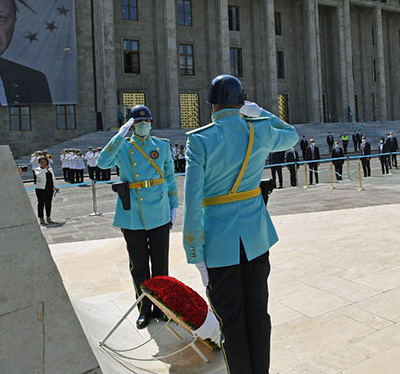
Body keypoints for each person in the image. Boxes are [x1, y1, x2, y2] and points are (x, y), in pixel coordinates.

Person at [183, 75, 297, 374]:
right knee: (258, 313)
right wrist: (261, 113)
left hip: (219, 244)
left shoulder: (200, 139)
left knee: (231, 320)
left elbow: (192, 200)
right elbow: (292, 134)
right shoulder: (260, 130)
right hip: (256, 238)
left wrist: (195, 251)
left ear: (212, 104)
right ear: (241, 103)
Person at [98, 104, 178, 329]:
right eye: (138, 123)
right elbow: (102, 162)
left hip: (159, 210)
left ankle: (163, 307)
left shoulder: (161, 146)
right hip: (132, 212)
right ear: (132, 126)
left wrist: (174, 205)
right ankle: (144, 309)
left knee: (160, 264)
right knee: (139, 266)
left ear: (151, 123)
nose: (143, 126)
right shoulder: (122, 147)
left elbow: (170, 178)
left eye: (146, 122)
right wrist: (118, 136)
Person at [34, 156, 57, 226]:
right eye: (42, 162)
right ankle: (41, 218)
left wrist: (56, 186)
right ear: (39, 163)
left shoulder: (50, 169)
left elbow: (53, 178)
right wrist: (45, 169)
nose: (43, 163)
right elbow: (39, 175)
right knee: (41, 203)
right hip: (41, 189)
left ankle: (48, 217)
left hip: (49, 188)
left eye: (45, 161)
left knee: (48, 203)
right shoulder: (37, 169)